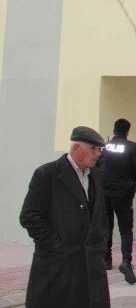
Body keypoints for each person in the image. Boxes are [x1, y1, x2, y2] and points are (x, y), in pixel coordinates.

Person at [19, 126, 110, 308]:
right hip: (58, 264)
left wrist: (100, 244)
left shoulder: (97, 177)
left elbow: (100, 215)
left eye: (100, 149)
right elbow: (29, 216)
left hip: (90, 265)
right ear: (76, 148)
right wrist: (55, 246)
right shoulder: (47, 174)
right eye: (93, 148)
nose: (98, 154)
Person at [101, 118, 136, 284]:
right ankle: (126, 261)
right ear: (127, 131)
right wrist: (130, 179)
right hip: (124, 194)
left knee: (106, 225)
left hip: (104, 193)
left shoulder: (104, 147)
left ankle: (106, 259)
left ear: (114, 130)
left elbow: (95, 167)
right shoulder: (131, 147)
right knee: (125, 229)